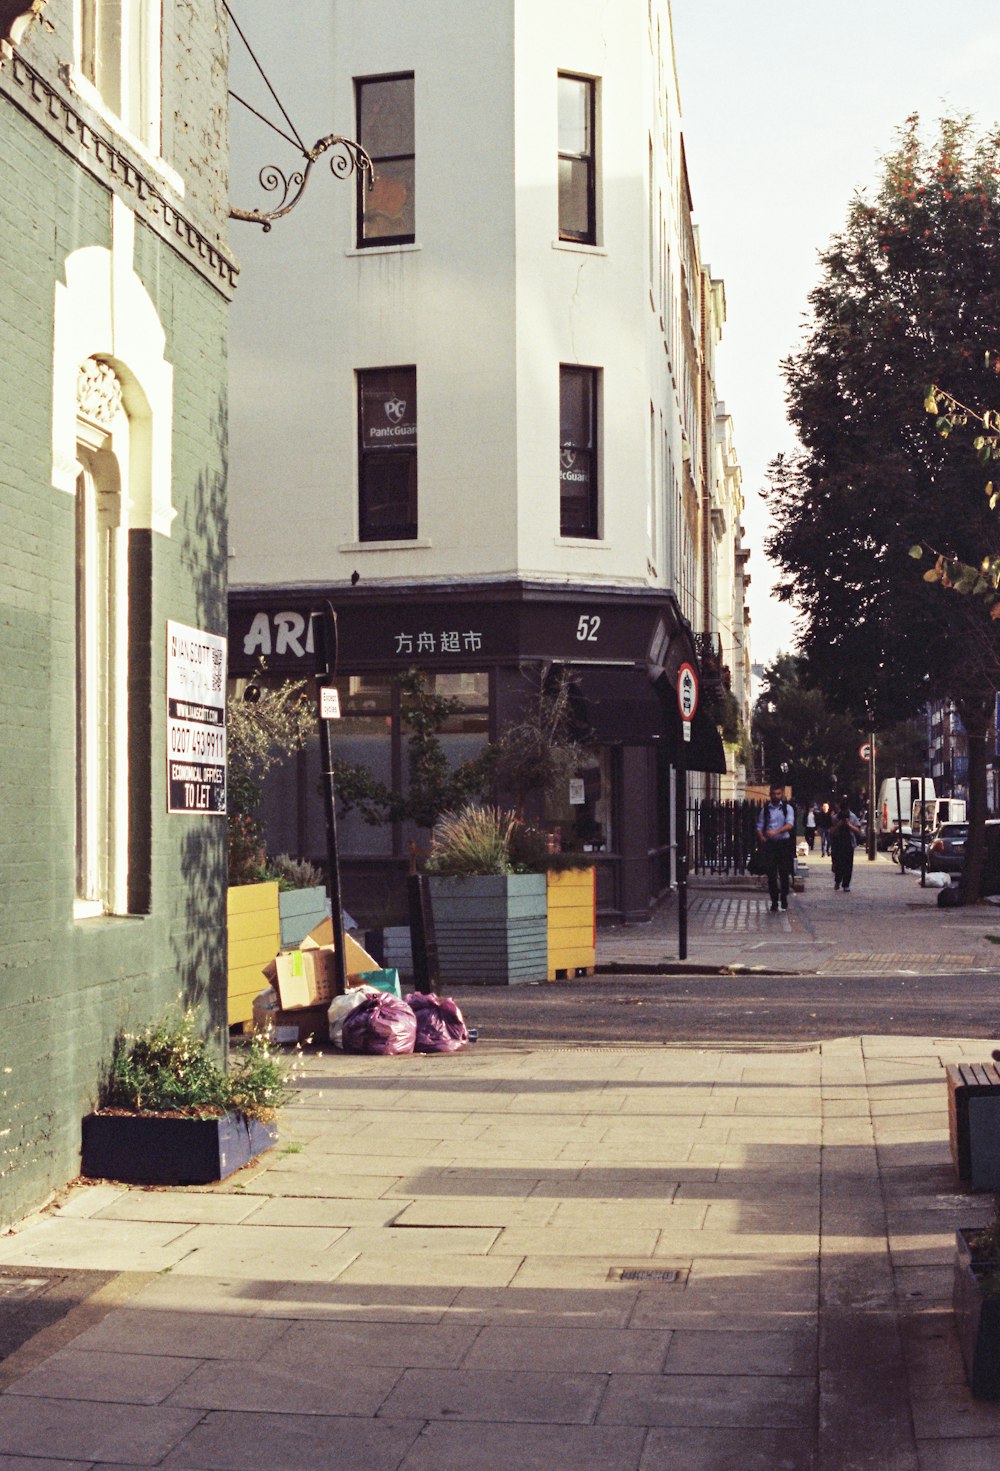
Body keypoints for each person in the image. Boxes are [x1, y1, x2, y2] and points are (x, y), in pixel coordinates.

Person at [756, 782, 796, 912]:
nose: (776, 796)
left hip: (783, 844)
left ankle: (783, 897)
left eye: (778, 794)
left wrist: (776, 831)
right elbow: (759, 826)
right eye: (773, 794)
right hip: (770, 845)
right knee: (771, 874)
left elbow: (789, 825)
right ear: (770, 794)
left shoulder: (787, 808)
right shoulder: (765, 809)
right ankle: (774, 901)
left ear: (782, 794)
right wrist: (761, 836)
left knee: (784, 873)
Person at [829, 796, 861, 892]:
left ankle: (846, 884)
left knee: (848, 865)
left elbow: (857, 830)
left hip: (849, 843)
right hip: (837, 844)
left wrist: (848, 825)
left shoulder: (852, 817)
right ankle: (837, 880)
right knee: (838, 864)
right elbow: (831, 831)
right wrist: (839, 824)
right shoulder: (835, 818)